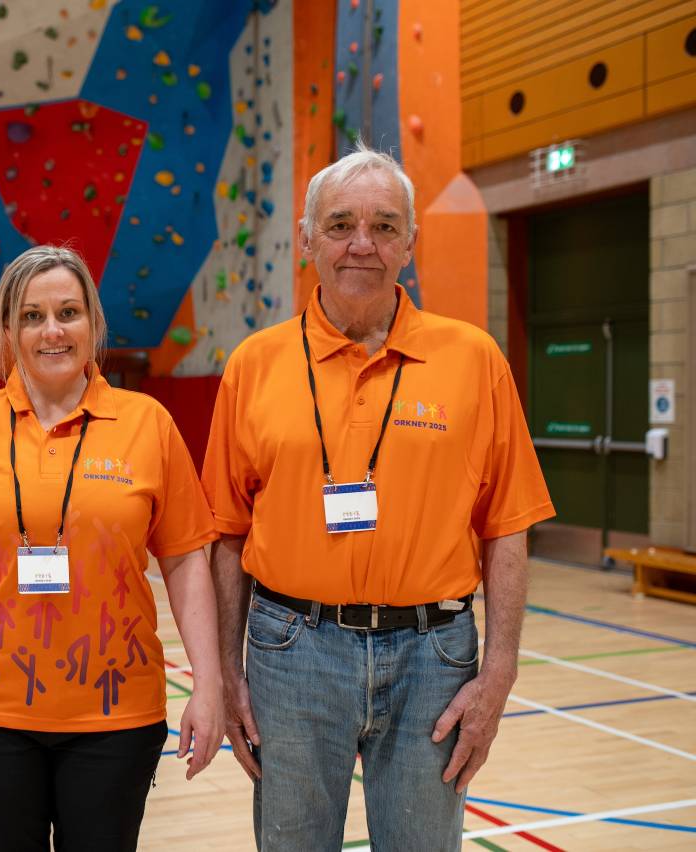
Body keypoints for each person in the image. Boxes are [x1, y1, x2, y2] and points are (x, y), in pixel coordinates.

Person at [203, 146, 555, 851]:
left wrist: (501, 672)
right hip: (291, 652)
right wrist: (226, 676)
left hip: (436, 655)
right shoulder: (255, 365)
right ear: (307, 241)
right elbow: (226, 533)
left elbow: (507, 527)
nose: (361, 244)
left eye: (385, 226)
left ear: (410, 245)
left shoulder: (475, 358)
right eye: (340, 225)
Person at [0, 245, 224, 852]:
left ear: (94, 325)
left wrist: (209, 684)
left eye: (68, 312)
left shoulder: (148, 423)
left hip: (115, 718)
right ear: (8, 331)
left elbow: (184, 562)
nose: (52, 331)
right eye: (32, 316)